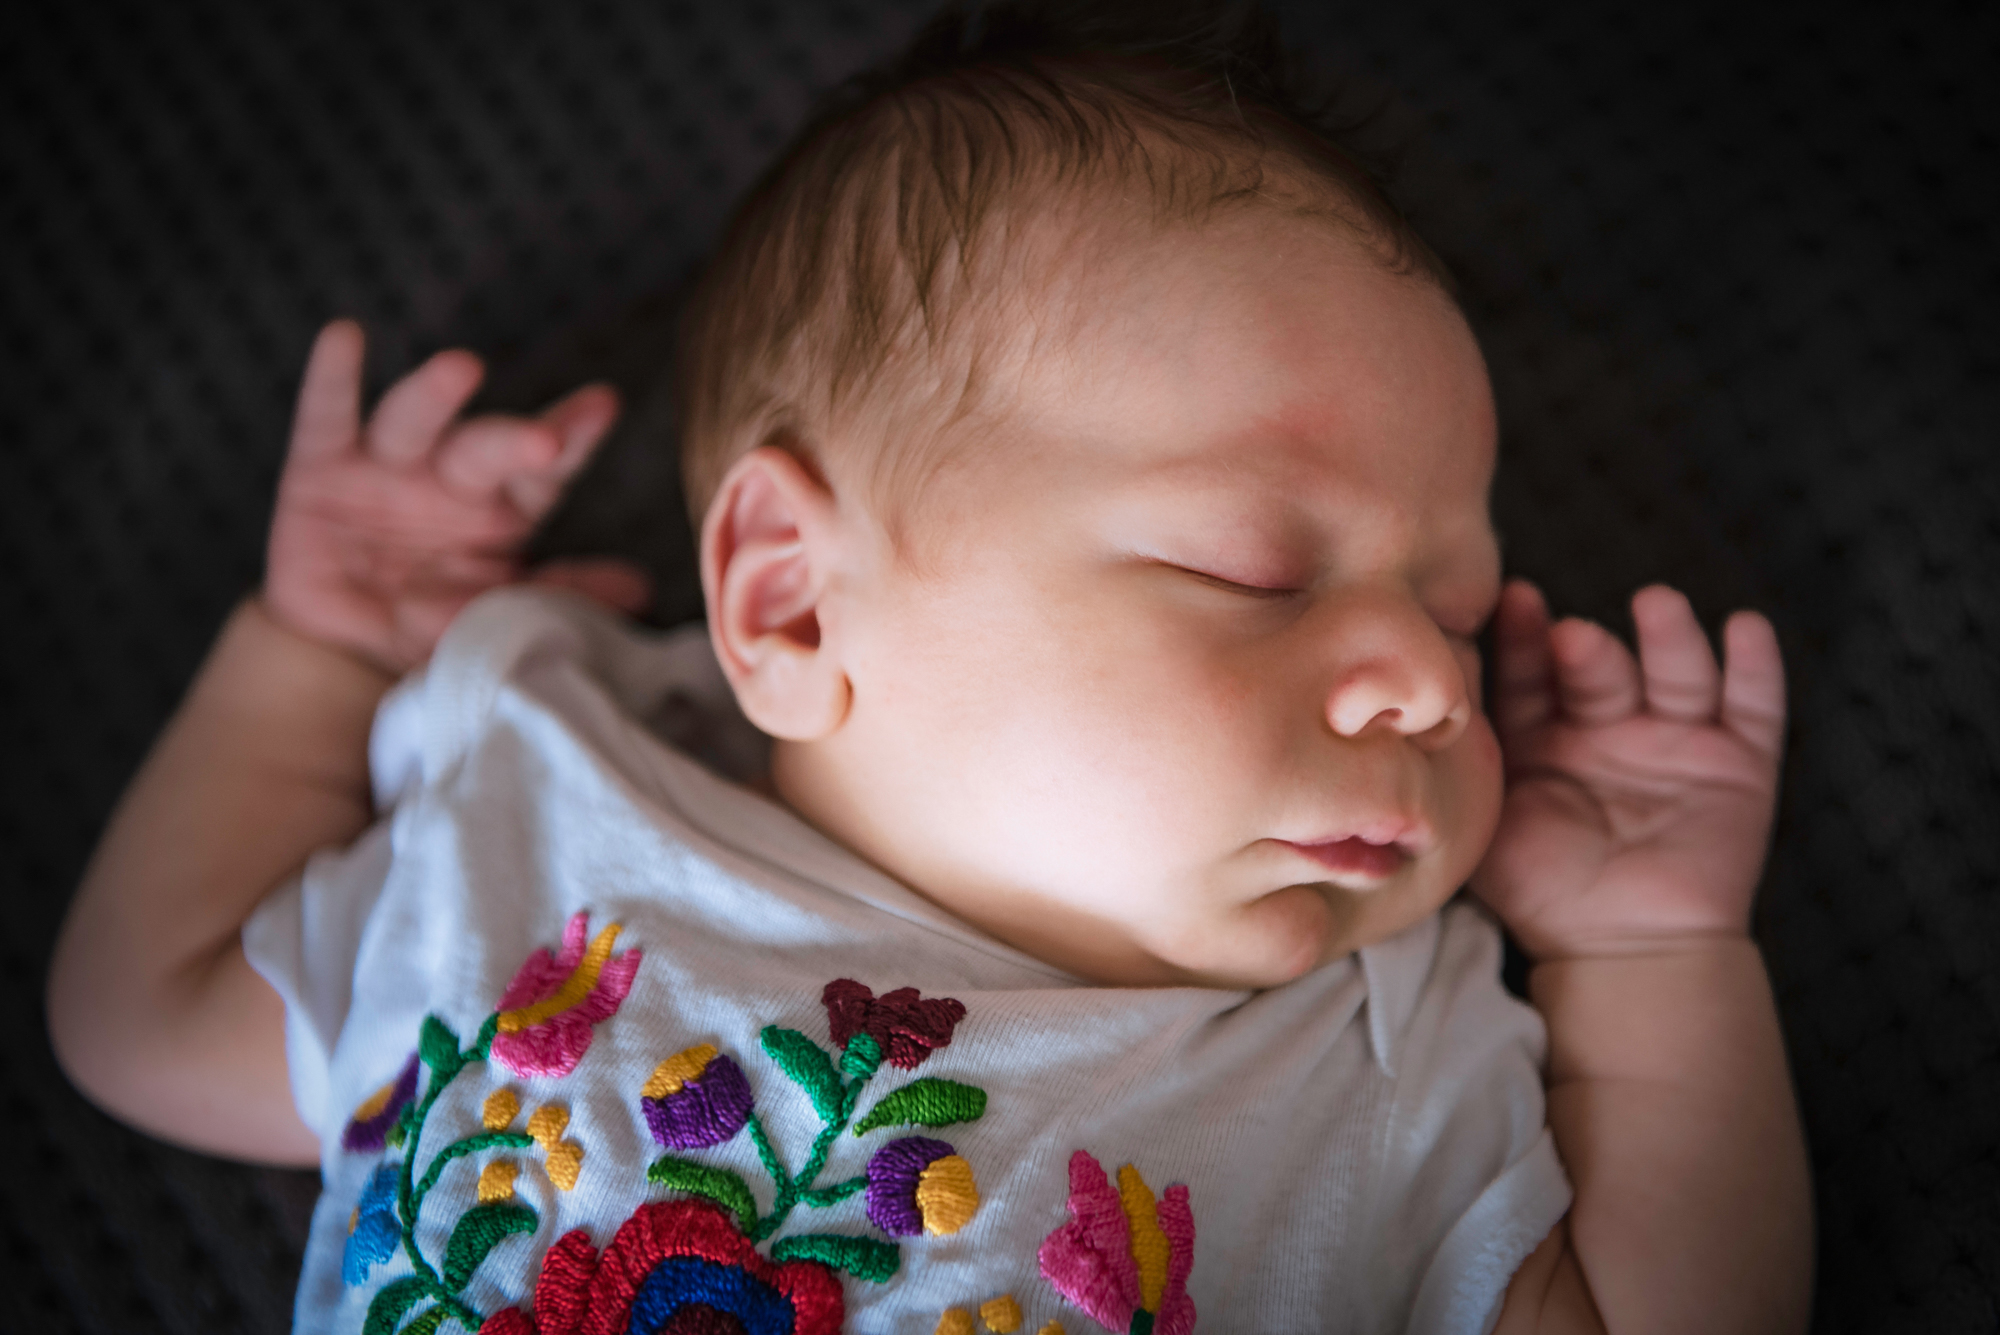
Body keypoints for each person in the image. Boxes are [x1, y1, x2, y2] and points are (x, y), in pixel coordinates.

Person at [45, 4, 1812, 1331]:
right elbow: (148, 1016)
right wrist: (318, 651)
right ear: (793, 601)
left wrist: (1655, 959)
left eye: (1453, 605)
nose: (1426, 688)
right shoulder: (546, 826)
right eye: (1255, 569)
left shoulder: (1371, 1056)